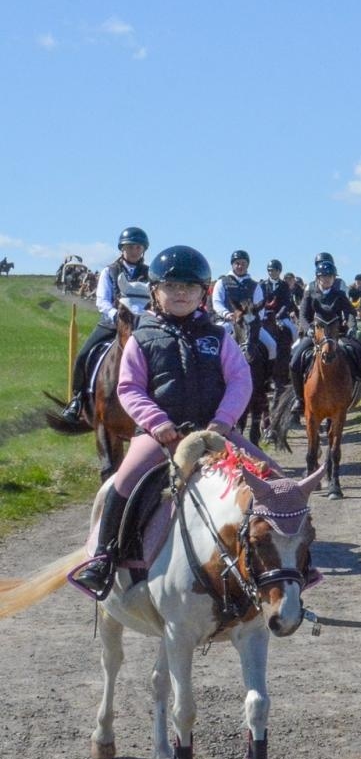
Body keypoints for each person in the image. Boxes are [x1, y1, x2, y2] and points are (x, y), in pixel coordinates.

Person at [68, 246, 280, 600]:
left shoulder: (219, 336)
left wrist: (224, 421)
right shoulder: (142, 338)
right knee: (123, 482)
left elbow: (241, 380)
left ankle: (288, 563)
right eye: (171, 286)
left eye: (190, 287)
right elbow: (129, 387)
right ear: (155, 291)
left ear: (203, 293)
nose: (181, 293)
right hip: (160, 435)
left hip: (215, 433)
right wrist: (157, 422)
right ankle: (103, 557)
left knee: (274, 478)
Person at [61, 226, 150, 424]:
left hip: (144, 326)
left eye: (138, 247)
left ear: (143, 249)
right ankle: (78, 399)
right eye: (130, 247)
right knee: (84, 355)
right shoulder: (109, 271)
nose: (134, 251)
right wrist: (115, 316)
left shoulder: (150, 274)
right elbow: (102, 300)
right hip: (113, 323)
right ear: (122, 248)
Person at [287, 256, 361, 411]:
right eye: (324, 277)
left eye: (330, 277)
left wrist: (351, 326)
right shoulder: (310, 293)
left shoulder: (339, 294)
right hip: (315, 335)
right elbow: (303, 315)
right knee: (294, 361)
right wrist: (308, 328)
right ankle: (299, 399)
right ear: (318, 277)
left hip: (337, 334)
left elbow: (350, 312)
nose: (327, 280)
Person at [211, 249, 265, 357]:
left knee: (272, 346)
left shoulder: (255, 285)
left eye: (243, 264)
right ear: (232, 264)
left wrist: (253, 319)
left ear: (247, 265)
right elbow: (217, 302)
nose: (240, 266)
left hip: (249, 322)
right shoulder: (222, 282)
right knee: (213, 344)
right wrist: (227, 314)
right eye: (237, 263)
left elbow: (260, 306)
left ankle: (269, 373)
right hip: (227, 321)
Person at [259, 259, 298, 389]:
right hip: (265, 314)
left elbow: (286, 302)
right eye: (270, 270)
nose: (272, 272)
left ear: (279, 271)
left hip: (281, 315)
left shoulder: (284, 285)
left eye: (274, 270)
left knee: (293, 331)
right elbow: (260, 301)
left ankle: (291, 354)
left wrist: (279, 315)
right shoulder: (263, 284)